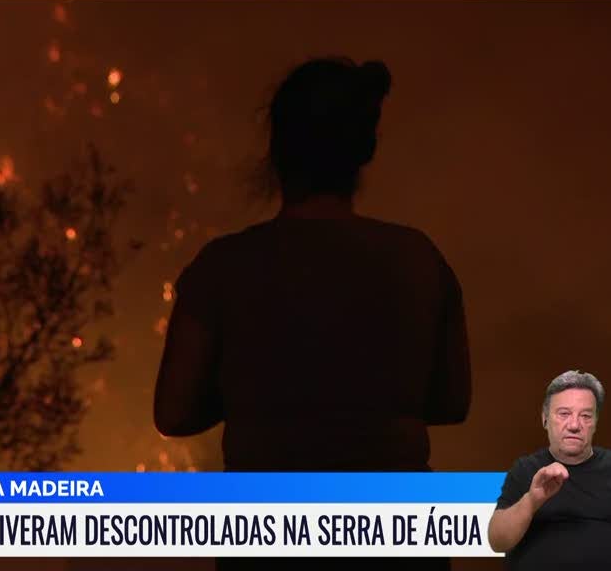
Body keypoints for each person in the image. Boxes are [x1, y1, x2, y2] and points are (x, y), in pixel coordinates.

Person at [154, 57, 471, 569]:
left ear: (277, 152)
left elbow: (173, 412)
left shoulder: (223, 268)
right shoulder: (418, 259)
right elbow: (453, 401)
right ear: (362, 151)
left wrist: (254, 390)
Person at [488, 371, 611, 571]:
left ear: (595, 422)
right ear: (545, 418)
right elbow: (497, 541)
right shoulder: (525, 469)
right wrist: (531, 501)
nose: (574, 425)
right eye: (564, 414)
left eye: (586, 416)